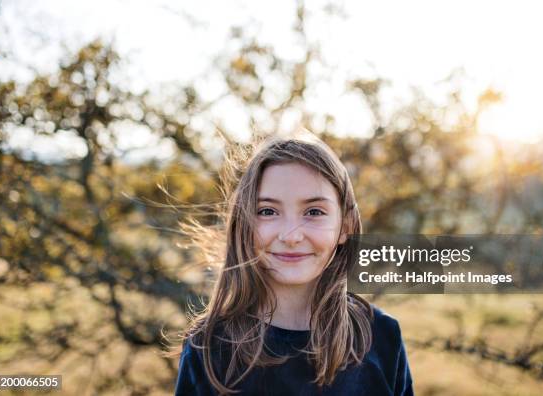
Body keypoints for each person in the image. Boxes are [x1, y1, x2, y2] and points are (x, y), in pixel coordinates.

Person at [174, 132, 414, 395]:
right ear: (244, 224)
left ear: (345, 225)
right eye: (267, 211)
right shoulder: (209, 346)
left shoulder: (381, 335)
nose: (290, 236)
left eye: (314, 212)